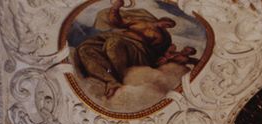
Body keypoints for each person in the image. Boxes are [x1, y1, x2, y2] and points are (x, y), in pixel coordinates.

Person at [71, 0, 199, 100]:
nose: (168, 26)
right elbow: (118, 22)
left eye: (170, 26)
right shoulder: (140, 21)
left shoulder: (163, 37)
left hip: (136, 48)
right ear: (163, 20)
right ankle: (111, 81)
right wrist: (116, 8)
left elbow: (158, 53)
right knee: (85, 49)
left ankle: (121, 77)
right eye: (168, 23)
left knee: (114, 44)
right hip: (114, 37)